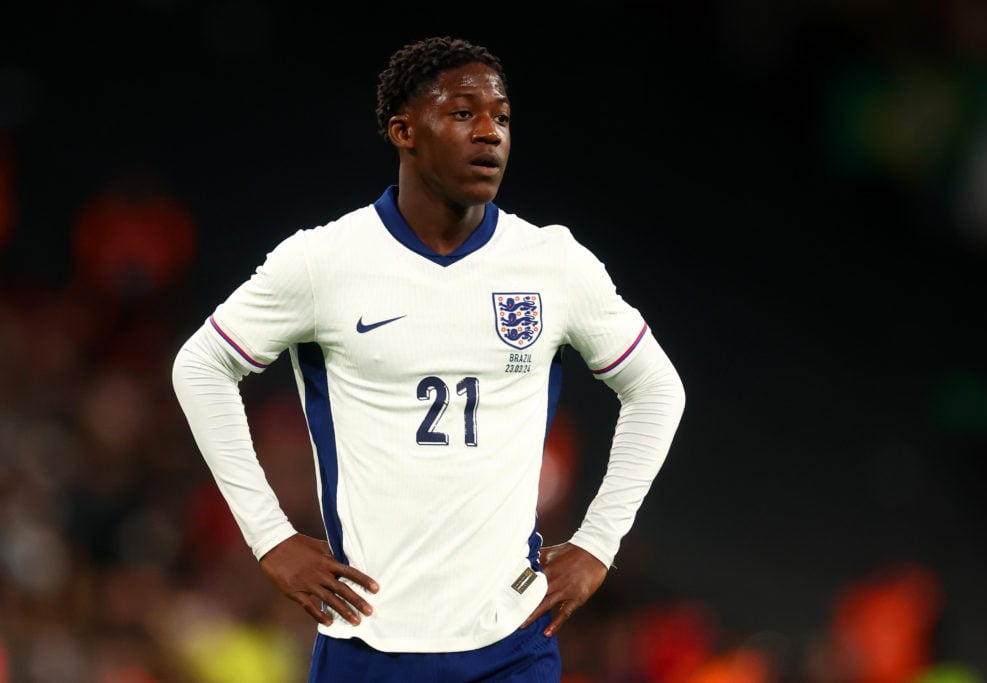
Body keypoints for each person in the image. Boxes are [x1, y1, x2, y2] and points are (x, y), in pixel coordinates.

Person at [172, 35, 685, 682]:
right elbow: (200, 365)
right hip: (368, 642)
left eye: (500, 117)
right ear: (403, 130)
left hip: (513, 641)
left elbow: (656, 388)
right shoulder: (324, 260)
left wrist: (597, 543)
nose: (489, 133)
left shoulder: (553, 264)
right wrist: (269, 535)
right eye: (463, 113)